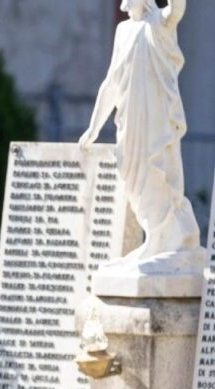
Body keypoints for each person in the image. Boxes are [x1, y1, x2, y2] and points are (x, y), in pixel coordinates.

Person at [79, 0, 200, 267]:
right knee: (131, 175)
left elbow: (176, 11)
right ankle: (154, 240)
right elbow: (111, 82)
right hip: (129, 120)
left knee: (153, 171)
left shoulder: (158, 22)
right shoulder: (123, 31)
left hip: (154, 120)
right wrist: (94, 126)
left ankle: (161, 241)